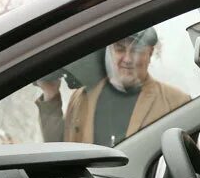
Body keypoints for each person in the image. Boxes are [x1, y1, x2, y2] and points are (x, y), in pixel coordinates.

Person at [35, 28, 190, 146]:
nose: (128, 59)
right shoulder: (81, 97)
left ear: (150, 53)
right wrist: (51, 94)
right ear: (109, 51)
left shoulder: (176, 103)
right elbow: (61, 151)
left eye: (136, 50)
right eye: (120, 49)